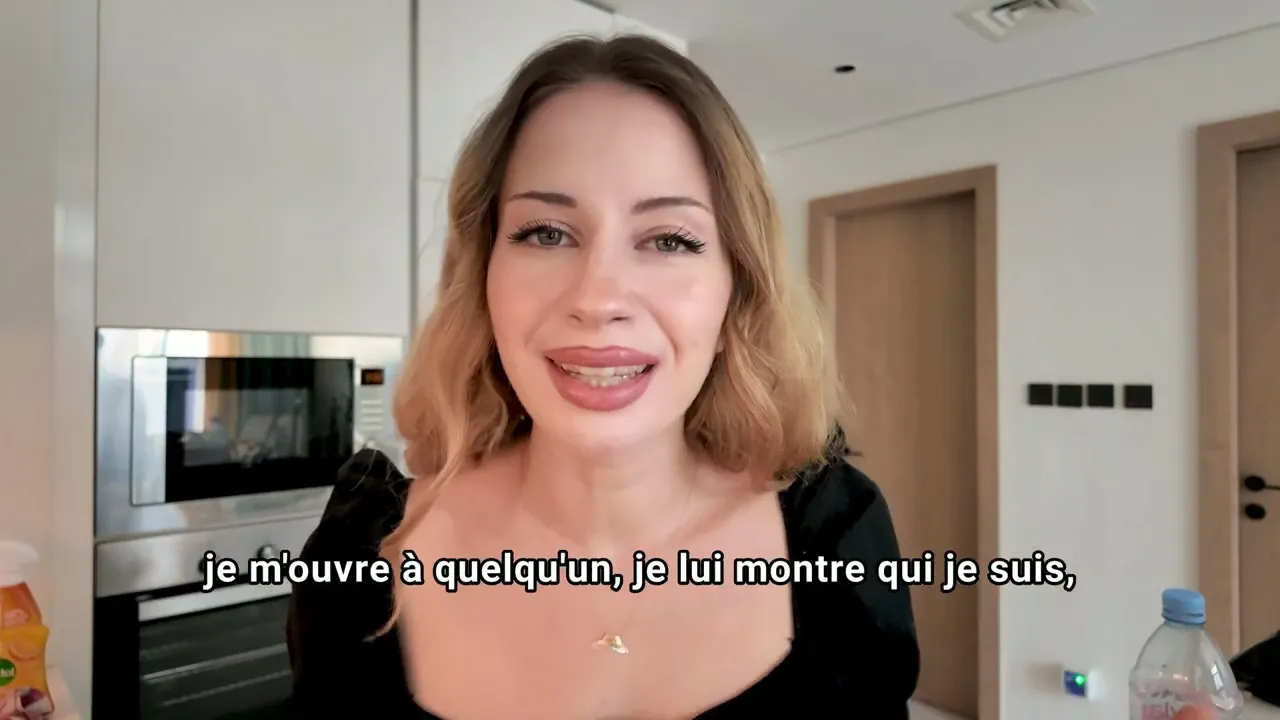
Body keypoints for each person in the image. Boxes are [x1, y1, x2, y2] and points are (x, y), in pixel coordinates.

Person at [286, 34, 920, 718]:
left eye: (669, 239)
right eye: (546, 233)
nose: (598, 298)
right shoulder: (362, 552)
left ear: (735, 290)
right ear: (483, 276)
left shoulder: (835, 533)